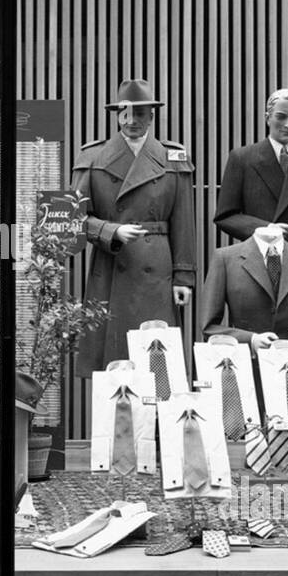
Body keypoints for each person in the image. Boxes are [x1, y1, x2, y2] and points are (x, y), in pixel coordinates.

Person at [71, 78, 194, 375]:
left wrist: (184, 278)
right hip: (113, 265)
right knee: (115, 366)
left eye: (140, 113)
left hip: (158, 270)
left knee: (157, 366)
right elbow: (73, 217)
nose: (132, 120)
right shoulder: (93, 157)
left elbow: (184, 223)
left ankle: (153, 422)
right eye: (125, 112)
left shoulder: (173, 158)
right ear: (116, 115)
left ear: (152, 116)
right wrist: (110, 231)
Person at [199, 224, 288, 466]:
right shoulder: (226, 258)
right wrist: (251, 340)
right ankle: (258, 445)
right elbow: (210, 328)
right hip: (251, 374)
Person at [213, 88, 288, 275]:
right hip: (256, 263)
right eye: (281, 117)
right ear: (267, 118)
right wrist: (266, 229)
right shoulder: (242, 158)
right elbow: (225, 216)